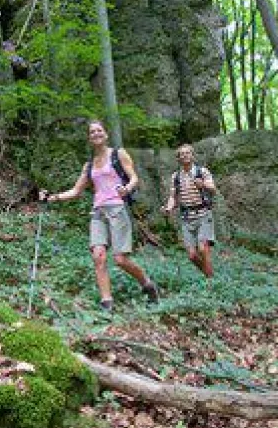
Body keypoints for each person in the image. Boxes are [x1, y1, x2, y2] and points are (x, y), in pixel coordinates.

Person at [40, 120, 158, 311]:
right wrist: (51, 198)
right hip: (98, 211)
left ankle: (147, 283)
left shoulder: (118, 154)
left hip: (117, 209)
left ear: (106, 134)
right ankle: (107, 302)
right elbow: (76, 191)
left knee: (120, 260)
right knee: (98, 256)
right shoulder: (89, 165)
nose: (96, 134)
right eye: (92, 132)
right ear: (89, 137)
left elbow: (134, 177)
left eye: (99, 130)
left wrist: (126, 189)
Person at [162, 144, 216, 277]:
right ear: (178, 158)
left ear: (192, 155)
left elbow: (213, 189)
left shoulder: (202, 171)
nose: (185, 155)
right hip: (186, 217)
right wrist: (168, 207)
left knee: (203, 249)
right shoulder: (176, 177)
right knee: (192, 255)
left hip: (203, 214)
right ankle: (208, 274)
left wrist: (202, 184)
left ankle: (210, 282)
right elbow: (173, 197)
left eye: (187, 153)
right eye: (182, 154)